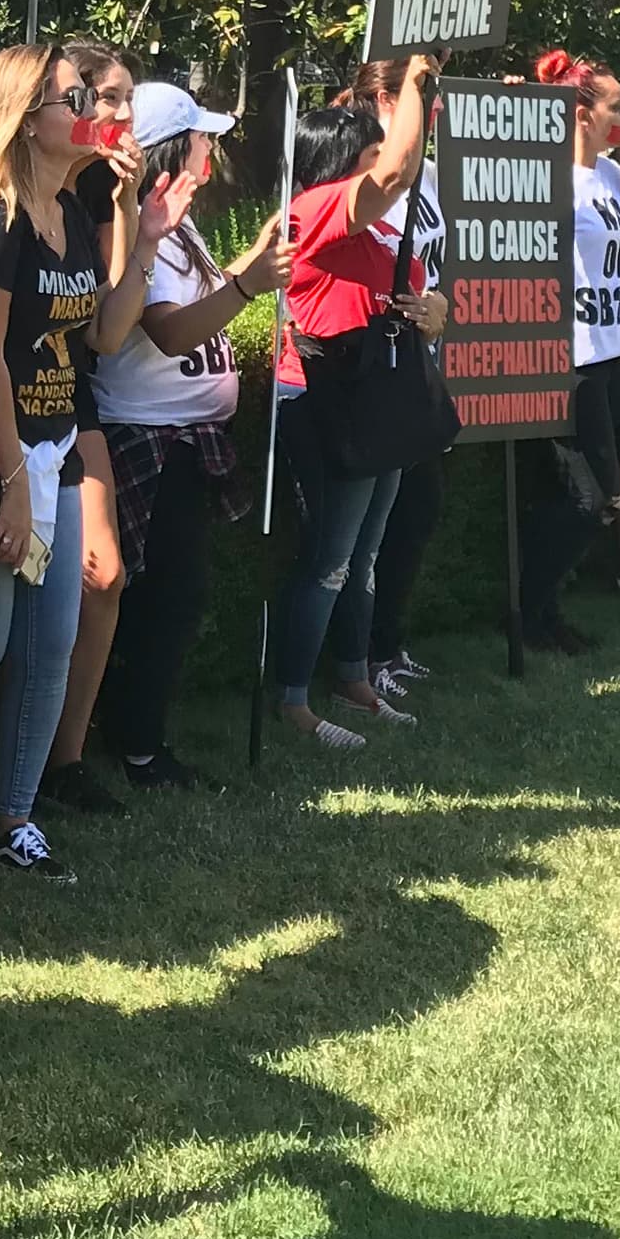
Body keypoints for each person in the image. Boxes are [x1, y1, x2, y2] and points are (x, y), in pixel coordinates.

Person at [0, 45, 159, 875]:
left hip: (54, 451)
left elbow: (104, 338)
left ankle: (14, 815)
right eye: (75, 96)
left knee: (53, 645)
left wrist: (142, 230)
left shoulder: (72, 212)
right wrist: (11, 484)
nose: (96, 107)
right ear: (22, 115)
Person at [90, 81, 284, 791]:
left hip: (183, 438)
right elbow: (168, 331)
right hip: (148, 438)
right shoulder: (142, 226)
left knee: (174, 596)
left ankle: (138, 732)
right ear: (176, 147)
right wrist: (246, 286)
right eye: (203, 136)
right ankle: (136, 745)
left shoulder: (184, 225)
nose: (213, 146)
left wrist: (246, 273)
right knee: (161, 599)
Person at [272, 63, 444, 744]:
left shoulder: (375, 233)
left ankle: (353, 678)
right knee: (331, 559)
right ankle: (292, 699)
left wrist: (437, 314)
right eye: (367, 158)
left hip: (380, 402)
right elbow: (398, 172)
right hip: (326, 401)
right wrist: (417, 86)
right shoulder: (311, 213)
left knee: (363, 557)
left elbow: (421, 299)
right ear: (339, 164)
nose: (383, 171)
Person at [38, 38, 143, 805]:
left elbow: (106, 331)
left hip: (78, 403)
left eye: (122, 100)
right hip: (16, 413)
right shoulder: (30, 198)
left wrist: (133, 210)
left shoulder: (96, 197)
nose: (119, 114)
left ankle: (62, 759)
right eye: (104, 98)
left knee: (104, 576)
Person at [335, 58, 451, 703]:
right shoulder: (356, 172)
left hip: (415, 368)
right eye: (415, 97)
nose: (430, 111)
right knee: (362, 534)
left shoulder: (429, 178)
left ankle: (385, 644)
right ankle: (356, 657)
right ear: (377, 98)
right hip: (364, 370)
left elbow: (434, 273)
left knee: (416, 513)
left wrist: (437, 312)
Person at [520, 53, 620, 650]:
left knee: (582, 497)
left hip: (612, 352)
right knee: (592, 499)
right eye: (615, 106)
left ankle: (540, 611)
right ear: (581, 114)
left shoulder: (615, 177)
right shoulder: (547, 179)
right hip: (569, 360)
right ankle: (528, 610)